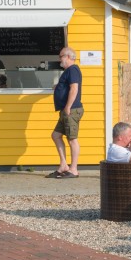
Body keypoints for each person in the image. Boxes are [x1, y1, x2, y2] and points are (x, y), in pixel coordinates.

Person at [50, 47, 83, 178]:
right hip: (65, 110)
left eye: (61, 56)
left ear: (69, 57)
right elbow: (66, 87)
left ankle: (74, 169)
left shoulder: (73, 70)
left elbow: (74, 88)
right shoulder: (68, 71)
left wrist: (68, 106)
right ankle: (64, 165)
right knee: (56, 135)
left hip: (71, 109)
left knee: (72, 139)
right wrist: (58, 87)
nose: (59, 59)